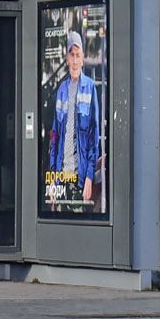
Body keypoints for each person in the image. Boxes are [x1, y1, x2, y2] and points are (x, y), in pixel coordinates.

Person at [48, 30, 102, 208]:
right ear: (67, 58)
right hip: (63, 176)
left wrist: (88, 178)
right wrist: (53, 179)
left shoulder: (90, 88)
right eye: (72, 55)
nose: (75, 60)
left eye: (78, 55)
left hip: (80, 179)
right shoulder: (62, 90)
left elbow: (94, 140)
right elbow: (55, 138)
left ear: (83, 58)